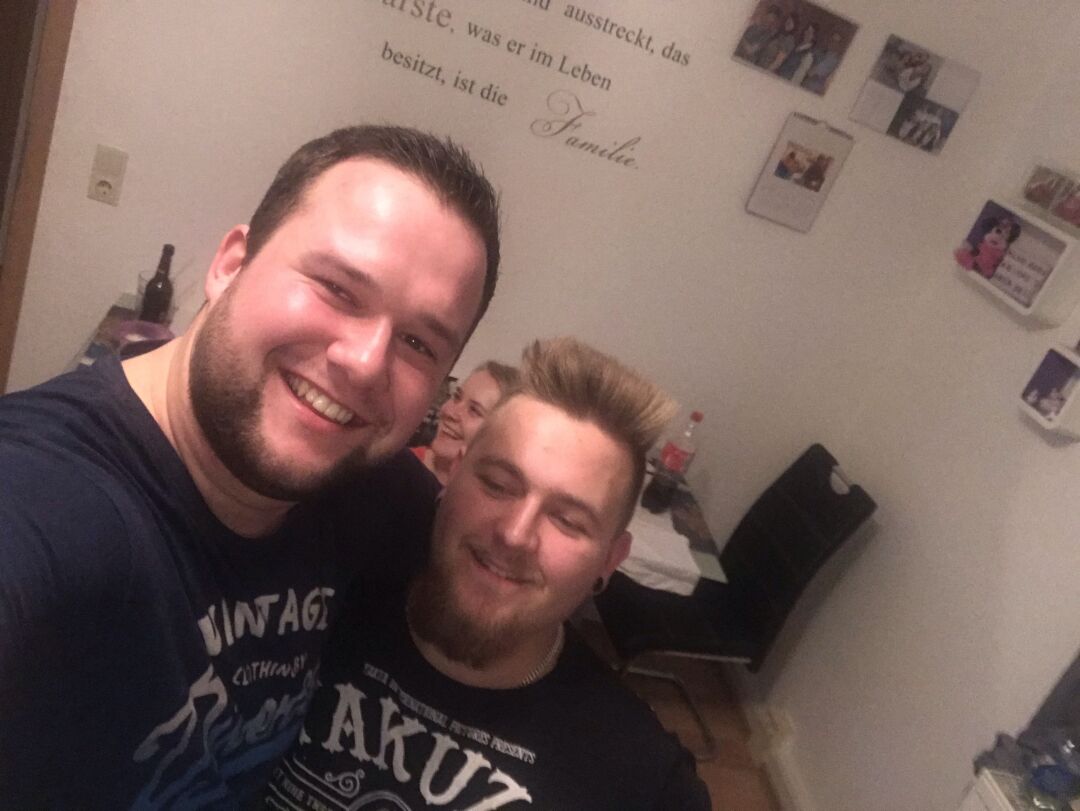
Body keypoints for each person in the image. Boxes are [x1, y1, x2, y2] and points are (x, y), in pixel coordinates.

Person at [0, 125, 501, 808]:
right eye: (337, 288)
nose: (364, 363)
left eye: (418, 342)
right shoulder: (49, 503)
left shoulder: (367, 490)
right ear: (231, 263)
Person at [263, 337, 712, 810]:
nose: (515, 534)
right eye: (498, 485)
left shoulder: (638, 779)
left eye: (568, 520)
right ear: (451, 476)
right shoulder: (313, 607)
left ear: (609, 561)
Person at [414, 360, 519, 486]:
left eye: (474, 410)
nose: (450, 412)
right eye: (457, 397)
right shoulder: (397, 465)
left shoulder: (487, 498)